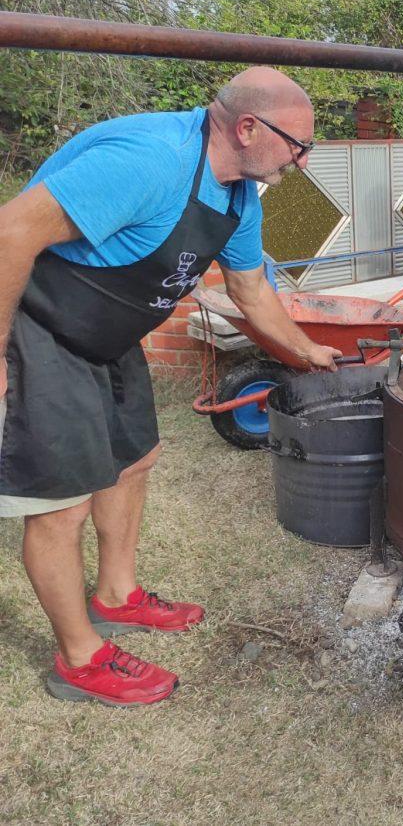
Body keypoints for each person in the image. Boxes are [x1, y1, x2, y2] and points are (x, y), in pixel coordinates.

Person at [0, 67, 341, 706]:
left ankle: (117, 595)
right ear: (247, 128)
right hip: (38, 327)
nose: (302, 158)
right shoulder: (149, 161)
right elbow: (10, 231)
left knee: (137, 460)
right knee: (62, 503)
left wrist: (307, 350)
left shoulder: (238, 193)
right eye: (298, 144)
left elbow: (249, 289)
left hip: (107, 335)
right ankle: (79, 657)